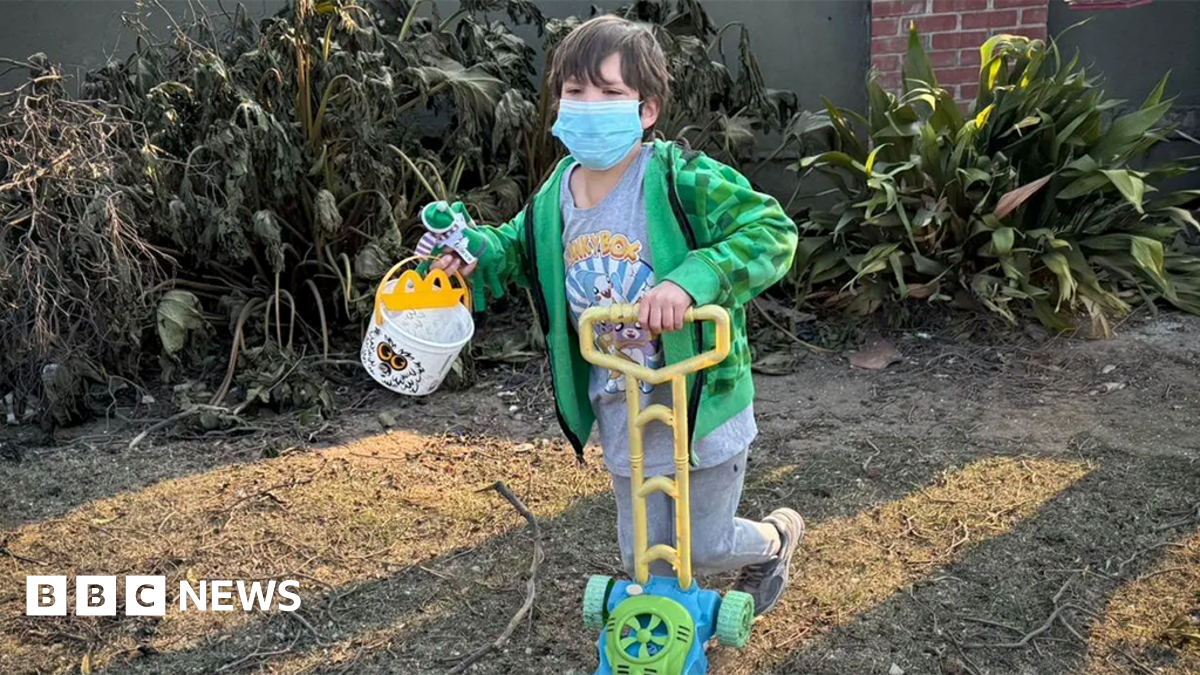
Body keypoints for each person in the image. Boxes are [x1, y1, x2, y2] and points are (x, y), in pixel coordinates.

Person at [429, 14, 804, 617]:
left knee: (704, 546)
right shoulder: (555, 195)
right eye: (576, 92)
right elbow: (517, 251)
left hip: (698, 399)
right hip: (621, 404)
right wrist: (472, 254)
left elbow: (770, 231)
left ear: (646, 110)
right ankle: (676, 627)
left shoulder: (680, 177)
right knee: (643, 558)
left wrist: (691, 281)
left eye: (609, 93)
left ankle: (775, 539)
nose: (588, 105)